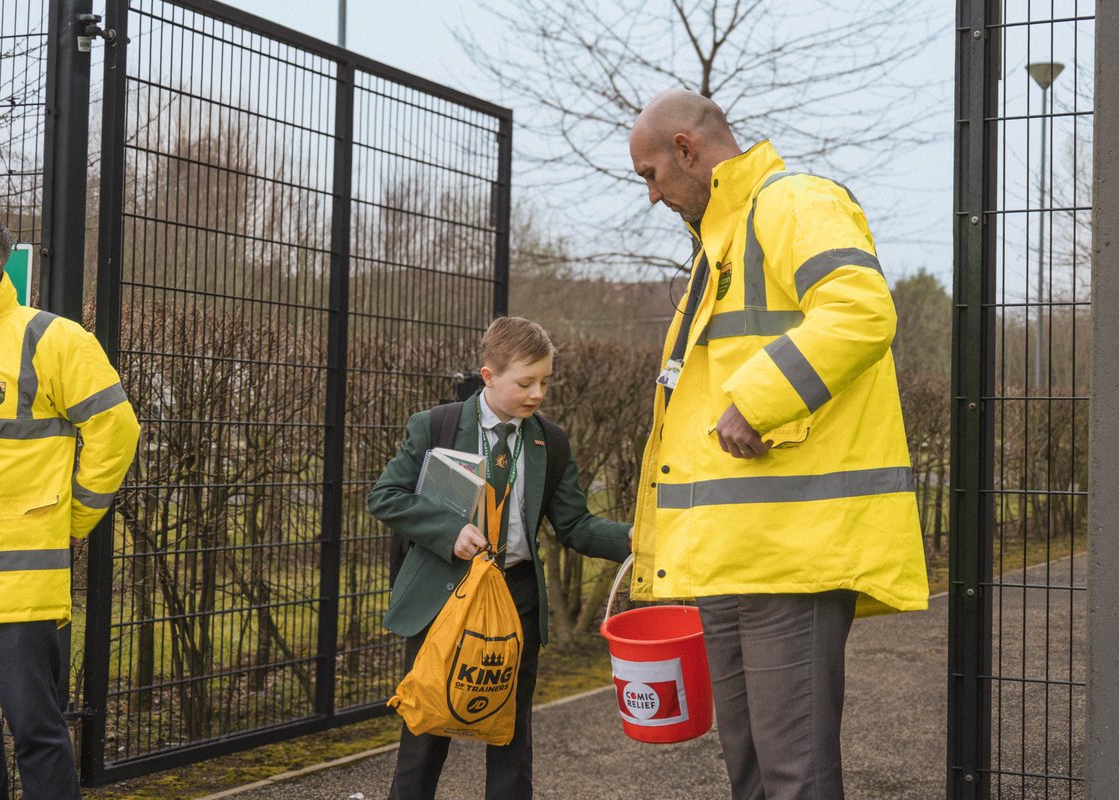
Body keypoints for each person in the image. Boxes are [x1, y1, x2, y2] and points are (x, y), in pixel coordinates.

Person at [627, 90, 929, 799]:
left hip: (793, 553)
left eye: (649, 174)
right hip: (736, 554)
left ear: (685, 149)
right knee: (754, 769)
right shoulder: (720, 244)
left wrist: (761, 400)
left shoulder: (794, 201)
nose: (651, 195)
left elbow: (861, 310)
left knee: (794, 773)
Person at [368, 316, 631, 800]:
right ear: (489, 376)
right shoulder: (436, 425)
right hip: (444, 595)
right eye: (525, 382)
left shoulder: (550, 440)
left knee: (511, 730)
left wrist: (639, 540)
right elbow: (385, 496)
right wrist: (449, 532)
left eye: (545, 382)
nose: (537, 394)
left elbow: (575, 526)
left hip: (516, 596)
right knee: (426, 729)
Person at [0, 216, 140, 799]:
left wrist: (72, 519)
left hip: (21, 590)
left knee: (36, 734)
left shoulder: (51, 338)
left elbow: (115, 428)